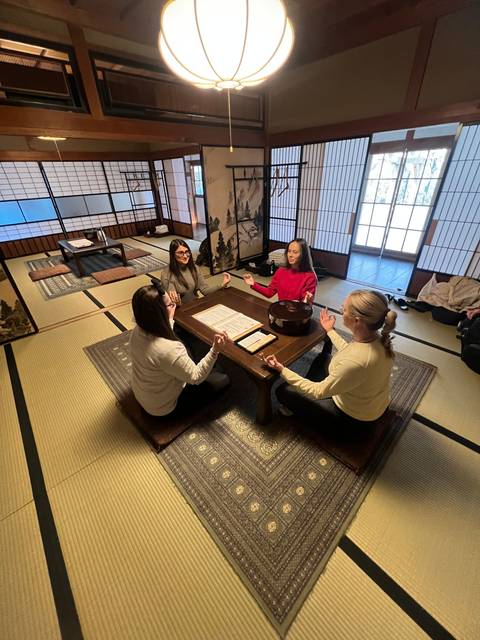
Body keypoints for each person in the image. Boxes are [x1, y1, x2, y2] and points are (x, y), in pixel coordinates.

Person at [263, 290, 397, 427]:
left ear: (357, 320)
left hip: (353, 417)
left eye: (343, 309)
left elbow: (317, 392)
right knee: (324, 358)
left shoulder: (356, 361)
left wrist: (281, 369)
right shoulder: (379, 339)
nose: (340, 311)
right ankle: (308, 391)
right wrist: (330, 330)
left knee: (282, 391)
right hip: (371, 402)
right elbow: (349, 351)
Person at [129, 280, 229, 418]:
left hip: (146, 396)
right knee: (222, 380)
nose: (173, 306)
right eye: (170, 305)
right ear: (160, 312)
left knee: (204, 363)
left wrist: (169, 317)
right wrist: (215, 350)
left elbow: (159, 327)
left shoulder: (137, 330)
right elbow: (196, 377)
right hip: (164, 408)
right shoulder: (168, 348)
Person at [243, 238, 316, 303]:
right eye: (289, 251)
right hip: (282, 311)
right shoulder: (281, 271)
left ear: (303, 255)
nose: (290, 255)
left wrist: (308, 300)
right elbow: (269, 292)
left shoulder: (310, 277)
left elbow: (305, 303)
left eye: (295, 252)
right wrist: (253, 284)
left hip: (299, 314)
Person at [160, 238, 231, 305]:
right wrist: (177, 303)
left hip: (194, 302)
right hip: (179, 307)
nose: (185, 256)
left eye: (187, 252)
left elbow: (205, 290)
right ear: (173, 255)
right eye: (180, 253)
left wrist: (222, 285)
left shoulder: (195, 268)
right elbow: (171, 302)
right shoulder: (167, 274)